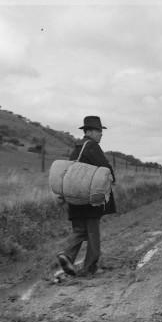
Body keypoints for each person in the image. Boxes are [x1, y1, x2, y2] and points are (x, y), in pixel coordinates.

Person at [56, 115, 116, 278]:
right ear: (89, 131)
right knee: (92, 234)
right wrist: (112, 178)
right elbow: (105, 169)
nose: (101, 134)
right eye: (99, 131)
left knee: (79, 230)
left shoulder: (77, 148)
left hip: (74, 198)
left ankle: (67, 255)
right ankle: (89, 268)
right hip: (89, 199)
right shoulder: (92, 147)